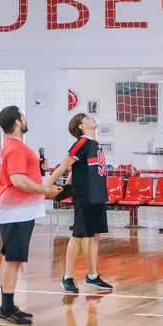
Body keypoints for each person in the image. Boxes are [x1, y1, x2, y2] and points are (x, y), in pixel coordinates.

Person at [0, 106, 62, 326]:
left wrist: (36, 167)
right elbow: (18, 180)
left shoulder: (13, 146)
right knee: (13, 261)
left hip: (17, 210)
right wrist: (46, 190)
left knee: (10, 259)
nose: (26, 119)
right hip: (16, 210)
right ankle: (5, 312)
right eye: (23, 117)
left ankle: (7, 306)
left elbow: (22, 174)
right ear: (17, 122)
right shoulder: (15, 147)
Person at [45, 113, 114, 293]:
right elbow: (64, 166)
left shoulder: (94, 144)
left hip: (98, 195)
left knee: (94, 236)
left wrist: (69, 182)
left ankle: (92, 277)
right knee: (77, 236)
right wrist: (47, 186)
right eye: (87, 118)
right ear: (81, 126)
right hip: (86, 196)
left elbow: (76, 169)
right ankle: (67, 278)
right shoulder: (81, 142)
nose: (92, 118)